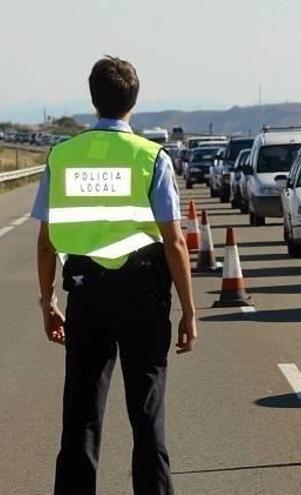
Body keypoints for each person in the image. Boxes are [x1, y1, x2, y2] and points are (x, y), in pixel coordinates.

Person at [32, 56, 196, 495]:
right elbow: (174, 242)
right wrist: (190, 311)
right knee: (147, 416)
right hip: (143, 295)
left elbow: (47, 242)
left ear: (93, 99)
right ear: (133, 102)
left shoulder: (62, 156)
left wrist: (48, 301)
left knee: (82, 414)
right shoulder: (150, 157)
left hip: (86, 294)